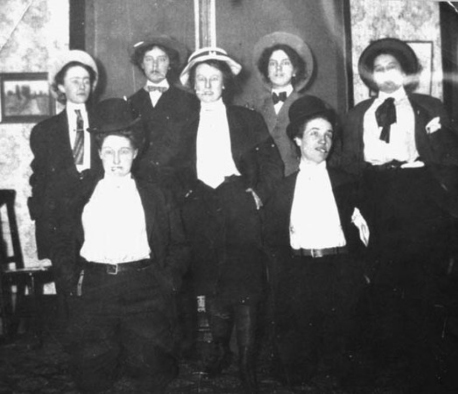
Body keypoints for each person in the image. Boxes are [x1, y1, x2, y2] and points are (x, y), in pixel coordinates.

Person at [332, 37, 458, 391]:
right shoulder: (359, 113)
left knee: (421, 281)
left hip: (417, 195)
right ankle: (386, 368)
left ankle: (422, 369)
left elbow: (450, 158)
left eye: (393, 68)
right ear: (370, 77)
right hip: (376, 195)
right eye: (379, 69)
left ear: (406, 73)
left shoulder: (429, 107)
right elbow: (348, 164)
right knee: (382, 282)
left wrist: (442, 198)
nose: (386, 76)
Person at [51, 98, 189, 393]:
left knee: (152, 372)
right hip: (94, 290)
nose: (116, 159)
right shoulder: (80, 193)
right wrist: (70, 281)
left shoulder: (156, 195)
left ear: (136, 153)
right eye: (109, 152)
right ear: (98, 153)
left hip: (145, 290)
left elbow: (179, 245)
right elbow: (62, 241)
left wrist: (167, 283)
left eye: (124, 151)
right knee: (92, 374)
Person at [178, 47, 284, 394]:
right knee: (212, 283)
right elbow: (171, 171)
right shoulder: (183, 123)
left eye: (213, 79)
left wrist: (257, 195)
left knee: (246, 287)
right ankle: (220, 352)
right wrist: (185, 201)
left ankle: (246, 364)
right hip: (201, 209)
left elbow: (272, 166)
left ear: (225, 83)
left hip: (238, 204)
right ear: (192, 85)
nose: (207, 85)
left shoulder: (247, 119)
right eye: (200, 80)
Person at [263, 95, 369, 389]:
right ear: (297, 139)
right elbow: (273, 240)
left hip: (339, 269)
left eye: (328, 135)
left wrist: (357, 270)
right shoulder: (283, 189)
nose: (323, 141)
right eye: (314, 133)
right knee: (298, 361)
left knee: (344, 357)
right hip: (299, 272)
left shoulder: (347, 183)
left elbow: (362, 233)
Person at [28, 50, 99, 318]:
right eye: (73, 80)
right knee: (67, 285)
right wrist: (45, 235)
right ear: (60, 86)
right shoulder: (44, 132)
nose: (81, 86)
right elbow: (41, 184)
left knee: (97, 282)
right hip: (63, 222)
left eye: (86, 80)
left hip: (98, 215)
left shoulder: (104, 123)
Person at [128, 34, 199, 194]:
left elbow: (194, 148)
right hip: (140, 186)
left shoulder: (189, 101)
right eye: (149, 59)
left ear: (170, 64)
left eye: (161, 59)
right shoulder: (130, 103)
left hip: (178, 187)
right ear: (141, 64)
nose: (155, 65)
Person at [251, 31, 316, 176]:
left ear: (295, 70)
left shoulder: (310, 105)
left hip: (298, 181)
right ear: (266, 71)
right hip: (264, 186)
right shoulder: (254, 107)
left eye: (285, 63)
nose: (278, 68)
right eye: (273, 64)